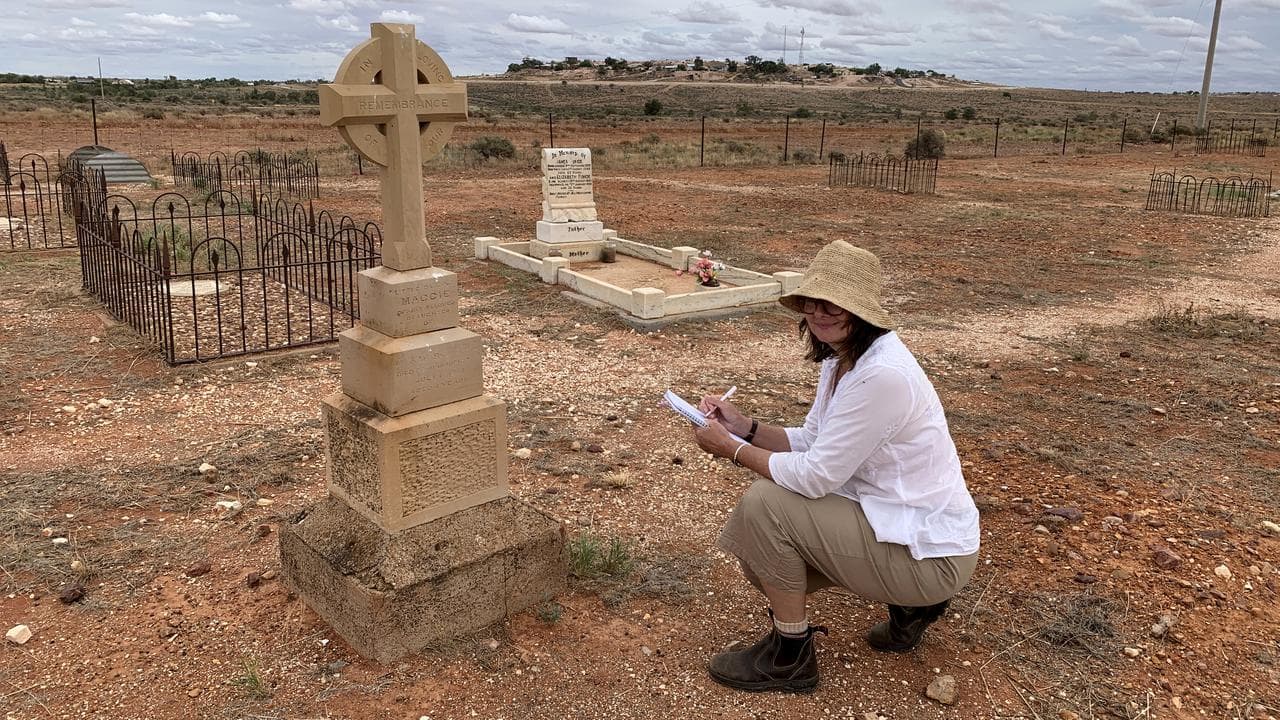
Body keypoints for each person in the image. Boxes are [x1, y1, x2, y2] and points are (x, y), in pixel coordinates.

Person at [690, 240, 980, 693]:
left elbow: (815, 475)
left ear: (861, 310)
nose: (819, 312)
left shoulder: (882, 374)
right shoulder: (845, 358)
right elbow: (812, 441)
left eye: (834, 303)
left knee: (766, 506)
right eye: (812, 301)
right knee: (760, 555)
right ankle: (910, 608)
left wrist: (729, 448)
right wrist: (744, 428)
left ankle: (791, 657)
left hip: (932, 556)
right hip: (899, 527)